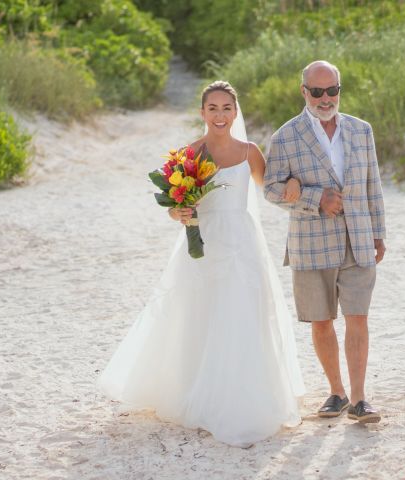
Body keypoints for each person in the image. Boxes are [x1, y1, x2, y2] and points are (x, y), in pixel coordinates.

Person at [98, 81, 305, 447]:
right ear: (202, 112)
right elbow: (178, 205)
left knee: (242, 312)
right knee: (198, 312)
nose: (220, 115)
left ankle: (241, 391)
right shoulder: (190, 154)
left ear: (235, 112)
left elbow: (270, 191)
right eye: (213, 108)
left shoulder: (249, 151)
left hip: (242, 242)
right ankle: (196, 388)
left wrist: (292, 182)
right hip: (203, 243)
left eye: (227, 108)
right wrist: (178, 212)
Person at [263, 61, 386, 423]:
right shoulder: (285, 137)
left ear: (339, 90)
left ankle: (361, 399)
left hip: (358, 238)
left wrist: (379, 232)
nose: (325, 98)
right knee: (321, 321)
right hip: (310, 241)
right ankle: (337, 392)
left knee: (358, 318)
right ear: (304, 91)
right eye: (317, 91)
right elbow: (271, 190)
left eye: (332, 90)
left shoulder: (362, 131)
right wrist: (316, 199)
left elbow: (372, 186)